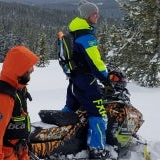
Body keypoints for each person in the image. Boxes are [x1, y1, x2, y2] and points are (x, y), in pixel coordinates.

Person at [61, 0, 114, 159]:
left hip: (75, 80)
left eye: (97, 12)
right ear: (87, 16)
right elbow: (95, 62)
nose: (97, 15)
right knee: (98, 112)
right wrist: (107, 79)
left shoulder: (75, 32)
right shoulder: (86, 36)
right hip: (86, 81)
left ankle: (61, 140)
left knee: (70, 109)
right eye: (94, 13)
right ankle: (97, 150)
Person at [0, 46, 39, 160]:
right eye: (29, 66)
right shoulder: (0, 97)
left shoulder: (16, 87)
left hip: (19, 151)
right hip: (7, 154)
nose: (33, 69)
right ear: (19, 69)